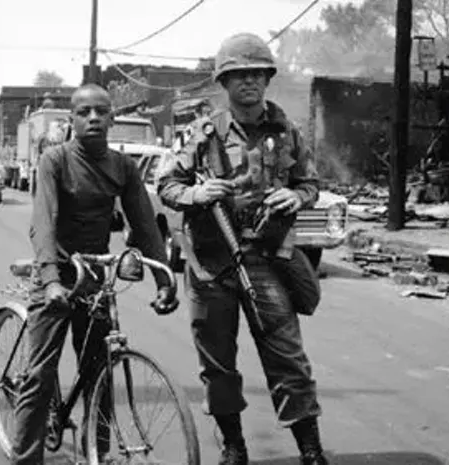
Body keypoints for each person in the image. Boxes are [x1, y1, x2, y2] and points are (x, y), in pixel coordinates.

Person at [158, 32, 327, 465]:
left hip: (267, 258)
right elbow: (168, 184)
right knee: (218, 362)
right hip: (213, 261)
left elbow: (310, 182)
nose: (249, 82)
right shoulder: (202, 132)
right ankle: (234, 445)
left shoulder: (287, 131)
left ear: (267, 79)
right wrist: (197, 195)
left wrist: (298, 197)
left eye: (257, 74)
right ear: (225, 82)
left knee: (288, 358)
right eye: (239, 75)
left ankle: (310, 449)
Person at [12, 84, 180, 465]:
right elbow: (44, 222)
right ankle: (25, 458)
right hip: (54, 274)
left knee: (99, 372)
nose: (92, 118)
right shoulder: (55, 160)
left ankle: (98, 454)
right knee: (39, 376)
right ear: (71, 119)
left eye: (100, 112)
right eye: (84, 112)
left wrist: (164, 277)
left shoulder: (123, 167)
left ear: (111, 118)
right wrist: (52, 279)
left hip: (93, 277)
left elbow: (146, 226)